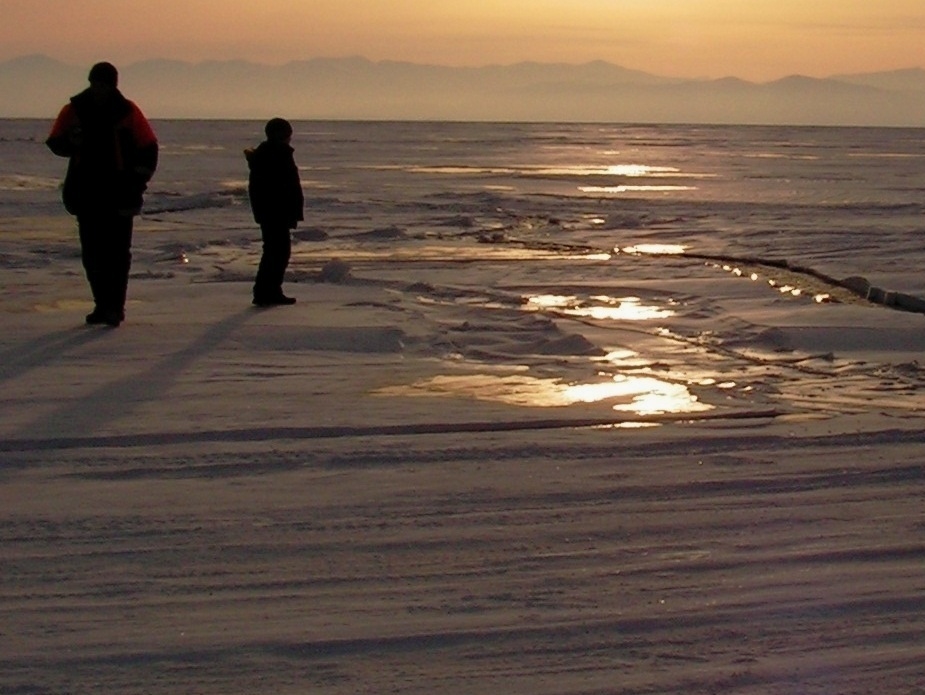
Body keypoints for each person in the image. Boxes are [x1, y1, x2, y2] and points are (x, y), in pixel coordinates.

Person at [46, 62, 158, 327]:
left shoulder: (128, 112)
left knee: (117, 254)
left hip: (120, 193)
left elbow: (149, 149)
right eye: (96, 83)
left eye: (104, 84)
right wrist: (70, 142)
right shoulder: (74, 109)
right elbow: (55, 142)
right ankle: (102, 304)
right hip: (86, 192)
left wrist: (136, 184)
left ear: (113, 85)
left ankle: (114, 307)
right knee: (93, 254)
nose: (99, 89)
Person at [245, 117, 304, 306]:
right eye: (287, 134)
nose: (290, 138)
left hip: (273, 212)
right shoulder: (275, 154)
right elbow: (281, 187)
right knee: (276, 253)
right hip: (274, 212)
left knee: (276, 252)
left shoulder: (272, 154)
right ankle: (266, 292)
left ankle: (269, 290)